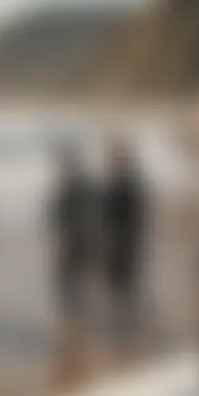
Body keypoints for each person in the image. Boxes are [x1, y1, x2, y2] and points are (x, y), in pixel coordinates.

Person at [101, 138, 148, 341]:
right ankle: (125, 319)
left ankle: (125, 321)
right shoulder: (124, 182)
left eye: (114, 158)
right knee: (121, 283)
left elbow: (131, 216)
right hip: (124, 239)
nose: (111, 162)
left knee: (121, 282)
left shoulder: (124, 183)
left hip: (122, 240)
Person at [49, 141, 97, 325]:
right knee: (69, 278)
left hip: (76, 238)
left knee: (72, 277)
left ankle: (75, 315)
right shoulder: (69, 183)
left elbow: (86, 213)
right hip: (73, 237)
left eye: (64, 162)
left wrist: (68, 238)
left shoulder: (78, 184)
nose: (61, 166)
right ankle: (73, 312)